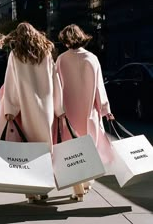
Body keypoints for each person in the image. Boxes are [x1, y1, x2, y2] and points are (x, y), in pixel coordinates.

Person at [0, 21, 65, 203]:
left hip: (26, 107)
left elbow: (11, 83)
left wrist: (10, 108)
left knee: (28, 148)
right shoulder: (47, 53)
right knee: (45, 147)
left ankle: (31, 191)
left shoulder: (15, 55)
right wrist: (59, 108)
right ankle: (43, 188)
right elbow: (55, 80)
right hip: (46, 108)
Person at [55, 23, 115, 202]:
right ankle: (87, 182)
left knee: (72, 151)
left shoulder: (61, 60)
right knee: (90, 148)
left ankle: (78, 188)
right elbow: (99, 87)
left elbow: (57, 88)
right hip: (90, 112)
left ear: (65, 41)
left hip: (68, 113)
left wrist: (58, 110)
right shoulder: (92, 58)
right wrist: (105, 109)